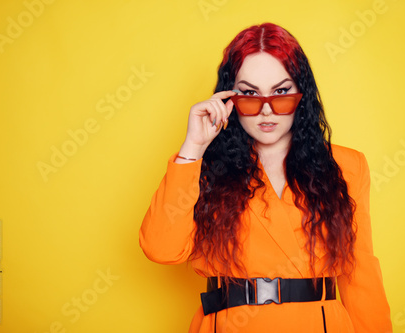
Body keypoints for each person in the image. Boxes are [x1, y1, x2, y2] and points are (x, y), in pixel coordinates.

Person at [140, 22, 392, 332]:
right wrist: (193, 146)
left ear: (302, 94)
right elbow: (160, 249)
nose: (266, 111)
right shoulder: (202, 168)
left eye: (281, 92)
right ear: (228, 99)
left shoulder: (346, 165)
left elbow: (359, 272)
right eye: (249, 95)